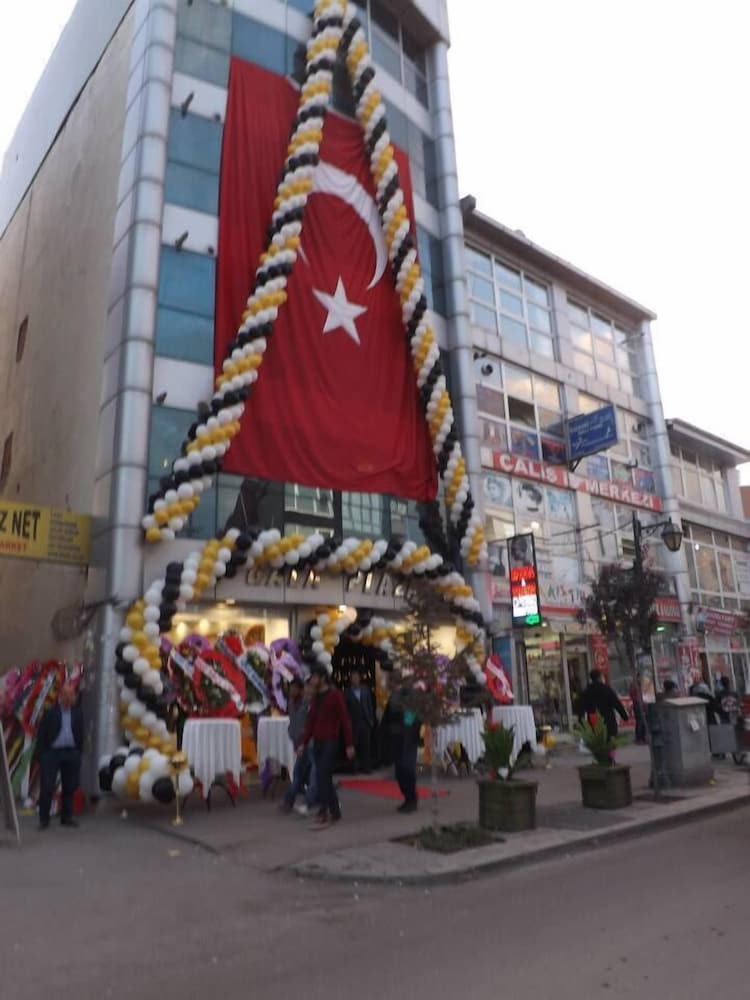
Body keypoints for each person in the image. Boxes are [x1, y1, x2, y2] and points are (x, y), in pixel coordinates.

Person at [297, 666, 354, 830]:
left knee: (322, 775)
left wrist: (349, 744)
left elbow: (345, 720)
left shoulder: (335, 695)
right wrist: (303, 743)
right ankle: (334, 811)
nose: (312, 681)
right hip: (318, 742)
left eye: (315, 677)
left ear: (323, 678)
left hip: (331, 741)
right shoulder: (315, 698)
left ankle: (323, 811)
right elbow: (310, 724)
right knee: (325, 779)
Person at [36, 681, 83, 830]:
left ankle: (66, 817)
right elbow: (41, 735)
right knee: (47, 786)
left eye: (71, 695)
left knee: (69, 787)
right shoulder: (50, 712)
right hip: (52, 753)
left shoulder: (78, 713)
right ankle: (44, 819)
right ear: (60, 696)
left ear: (74, 697)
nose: (69, 698)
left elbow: (81, 734)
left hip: (71, 752)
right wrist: (42, 755)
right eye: (65, 695)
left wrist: (78, 752)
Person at [281, 678, 317, 816]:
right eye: (291, 688)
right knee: (302, 774)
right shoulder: (290, 703)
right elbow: (292, 722)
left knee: (306, 774)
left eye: (295, 688)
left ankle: (292, 801)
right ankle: (290, 801)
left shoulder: (308, 703)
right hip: (299, 744)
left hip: (309, 743)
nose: (292, 691)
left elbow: (310, 724)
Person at [387, 679, 421, 814]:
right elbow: (389, 715)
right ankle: (408, 798)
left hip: (408, 740)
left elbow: (412, 721)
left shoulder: (411, 701)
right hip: (398, 737)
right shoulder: (395, 696)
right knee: (400, 770)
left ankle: (411, 799)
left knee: (406, 768)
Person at [577, 669, 628, 738]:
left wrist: (581, 722)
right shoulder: (606, 689)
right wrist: (624, 716)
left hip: (593, 719)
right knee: (610, 741)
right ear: (600, 677)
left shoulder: (586, 692)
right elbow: (617, 703)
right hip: (608, 719)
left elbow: (580, 707)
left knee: (597, 741)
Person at [345, 669, 374, 773]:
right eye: (353, 677)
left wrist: (371, 719)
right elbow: (345, 709)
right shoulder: (347, 692)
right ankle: (354, 768)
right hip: (353, 723)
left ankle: (366, 767)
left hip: (365, 721)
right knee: (354, 746)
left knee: (366, 745)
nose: (355, 679)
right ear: (351, 680)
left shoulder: (365, 690)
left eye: (357, 677)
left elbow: (369, 705)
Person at [629, 673, 647, 743]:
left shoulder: (637, 685)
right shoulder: (634, 685)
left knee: (640, 721)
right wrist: (641, 702)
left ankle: (640, 738)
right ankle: (640, 738)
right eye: (640, 677)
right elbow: (634, 696)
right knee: (640, 721)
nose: (641, 679)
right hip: (638, 705)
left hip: (639, 704)